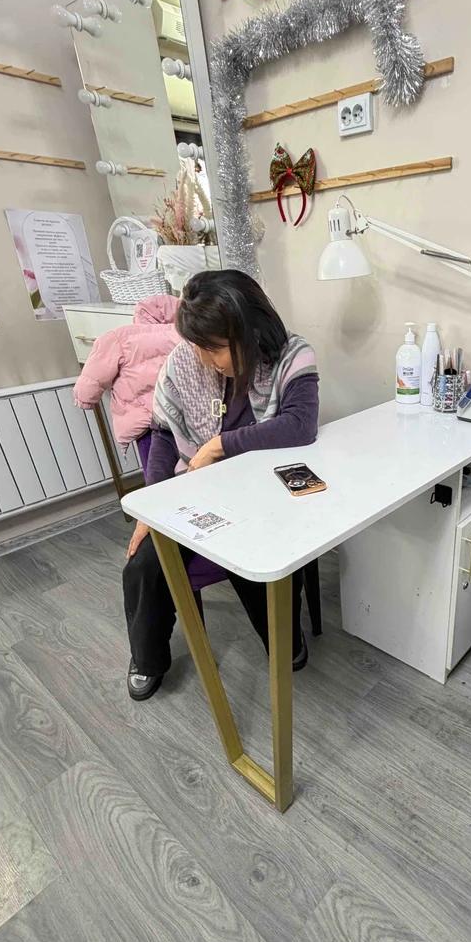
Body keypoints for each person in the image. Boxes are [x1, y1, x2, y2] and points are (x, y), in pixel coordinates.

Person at [122, 270, 319, 700]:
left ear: (249, 330)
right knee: (144, 564)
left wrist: (219, 445)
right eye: (198, 345)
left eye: (214, 347)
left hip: (260, 494)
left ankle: (285, 641)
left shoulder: (292, 355)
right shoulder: (184, 362)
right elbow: (161, 434)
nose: (204, 357)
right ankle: (147, 658)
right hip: (193, 491)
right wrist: (152, 504)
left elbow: (301, 425)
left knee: (256, 558)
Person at [72, 293, 180, 450]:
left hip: (142, 421)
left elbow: (93, 375)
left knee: (152, 460)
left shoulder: (121, 337)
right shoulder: (186, 337)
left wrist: (84, 399)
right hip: (178, 415)